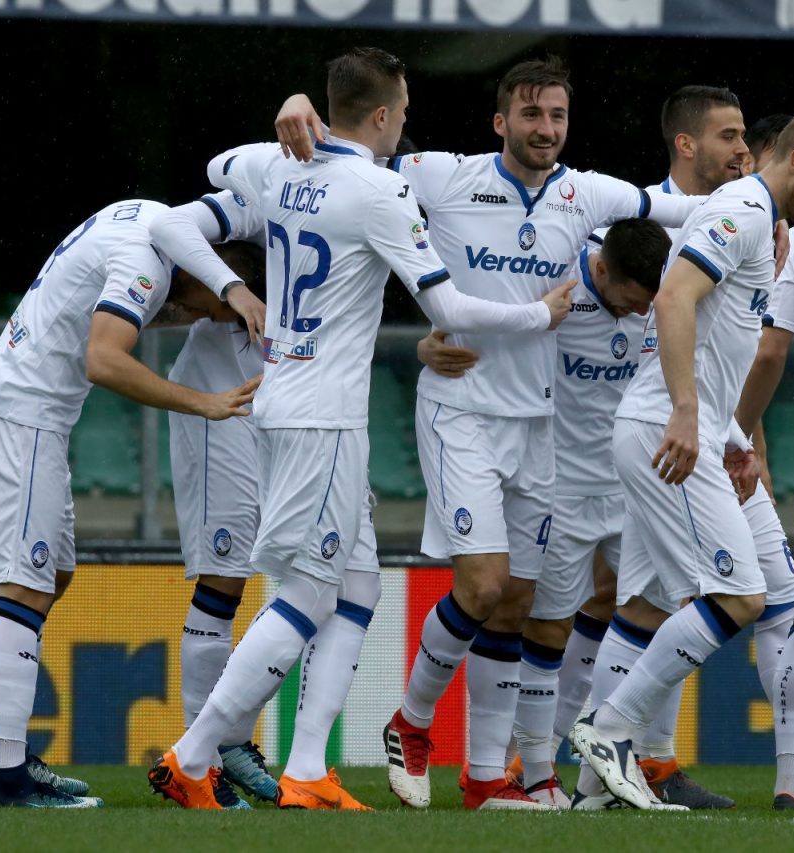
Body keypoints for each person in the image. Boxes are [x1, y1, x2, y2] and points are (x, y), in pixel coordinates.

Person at [273, 56, 708, 811]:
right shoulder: (441, 175)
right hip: (460, 407)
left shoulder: (587, 192)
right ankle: (410, 722)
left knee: (517, 603)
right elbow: (339, 152)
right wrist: (298, 99)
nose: (546, 130)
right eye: (531, 115)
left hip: (535, 423)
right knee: (482, 584)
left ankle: (483, 779)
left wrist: (765, 226)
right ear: (500, 120)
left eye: (558, 117)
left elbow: (687, 210)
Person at [146, 46, 573, 811]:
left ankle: (307, 769)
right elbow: (449, 312)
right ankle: (192, 754)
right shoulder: (378, 191)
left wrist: (291, 106)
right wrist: (541, 313)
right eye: (403, 112)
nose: (405, 123)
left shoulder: (276, 168)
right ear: (382, 117)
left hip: (295, 401)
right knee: (309, 593)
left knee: (360, 584)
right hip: (323, 418)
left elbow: (217, 165)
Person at [569, 107, 794, 811]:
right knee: (741, 597)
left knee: (654, 600)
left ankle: (591, 791)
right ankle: (610, 730)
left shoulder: (760, 218)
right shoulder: (743, 212)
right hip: (669, 431)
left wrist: (736, 436)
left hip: (696, 432)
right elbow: (673, 297)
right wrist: (685, 412)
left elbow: (722, 337)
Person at [0, 196, 265, 809]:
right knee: (25, 585)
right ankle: (7, 776)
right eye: (221, 309)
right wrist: (202, 401)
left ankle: (6, 752)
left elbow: (112, 314)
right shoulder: (147, 265)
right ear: (203, 271)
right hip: (21, 414)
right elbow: (102, 359)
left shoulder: (145, 217)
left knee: (53, 573)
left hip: (31, 412)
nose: (215, 321)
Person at [420, 217, 672, 808]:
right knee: (548, 628)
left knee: (651, 613)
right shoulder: (553, 283)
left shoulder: (669, 283)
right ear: (603, 271)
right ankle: (536, 772)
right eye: (634, 302)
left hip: (635, 483)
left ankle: (602, 771)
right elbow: (482, 316)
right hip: (562, 487)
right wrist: (429, 339)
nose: (642, 315)